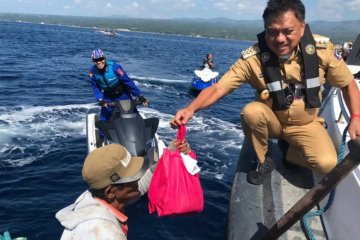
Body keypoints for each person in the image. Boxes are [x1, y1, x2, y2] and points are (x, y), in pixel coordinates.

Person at [171, 0, 360, 185]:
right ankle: (264, 159)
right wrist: (191, 109)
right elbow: (219, 88)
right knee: (252, 112)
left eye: (288, 31)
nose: (280, 39)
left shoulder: (322, 52)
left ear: (302, 27)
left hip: (306, 124)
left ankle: (288, 151)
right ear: (265, 29)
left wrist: (356, 117)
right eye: (272, 32)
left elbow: (348, 84)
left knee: (327, 164)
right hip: (272, 122)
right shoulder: (252, 58)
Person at [56, 140, 191, 239]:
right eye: (132, 176)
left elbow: (141, 186)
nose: (139, 178)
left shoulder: (92, 197)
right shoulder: (106, 234)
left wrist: (169, 155)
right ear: (110, 192)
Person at [89, 48, 149, 121]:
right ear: (93, 61)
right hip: (108, 97)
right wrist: (100, 99)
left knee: (134, 116)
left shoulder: (115, 68)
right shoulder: (92, 72)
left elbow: (128, 82)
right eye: (96, 60)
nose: (99, 62)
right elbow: (96, 87)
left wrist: (140, 95)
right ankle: (103, 132)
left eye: (101, 59)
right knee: (103, 120)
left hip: (123, 95)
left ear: (104, 58)